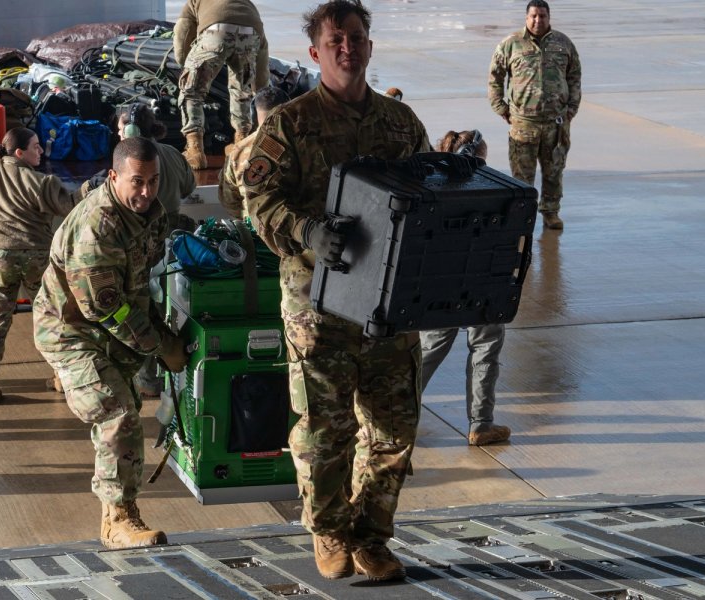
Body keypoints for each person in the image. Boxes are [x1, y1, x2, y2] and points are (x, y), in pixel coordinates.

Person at [242, 0, 429, 582]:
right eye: (336, 38)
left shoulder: (401, 124)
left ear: (369, 48)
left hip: (388, 305)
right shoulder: (290, 124)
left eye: (356, 37)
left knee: (394, 428)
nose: (347, 47)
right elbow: (258, 201)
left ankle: (371, 537)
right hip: (319, 305)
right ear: (316, 52)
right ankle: (328, 532)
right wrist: (306, 231)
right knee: (326, 430)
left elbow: (428, 192)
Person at [33, 138, 189, 549]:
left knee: (127, 409)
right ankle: (118, 520)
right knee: (118, 412)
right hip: (71, 333)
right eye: (137, 182)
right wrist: (160, 346)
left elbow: (138, 282)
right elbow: (109, 310)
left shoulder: (144, 214)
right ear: (114, 176)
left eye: (154, 181)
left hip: (108, 330)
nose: (147, 191)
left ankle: (116, 513)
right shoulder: (96, 228)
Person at [0, 113, 82, 405]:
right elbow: (69, 205)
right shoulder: (43, 183)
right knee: (50, 318)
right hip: (36, 257)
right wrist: (93, 186)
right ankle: (60, 377)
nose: (42, 151)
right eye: (36, 146)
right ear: (20, 153)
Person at [419, 130, 511, 446]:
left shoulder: (429, 187)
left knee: (429, 349)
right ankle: (481, 424)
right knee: (486, 347)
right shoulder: (490, 190)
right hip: (482, 280)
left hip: (438, 283)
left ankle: (394, 411)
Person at [113, 103, 196, 398]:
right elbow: (189, 186)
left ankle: (147, 380)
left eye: (121, 128)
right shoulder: (172, 154)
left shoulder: (130, 167)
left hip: (147, 243)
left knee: (142, 307)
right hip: (177, 242)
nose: (118, 133)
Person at [488, 0, 581, 230]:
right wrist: (500, 107)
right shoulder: (511, 44)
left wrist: (571, 109)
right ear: (526, 18)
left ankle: (551, 212)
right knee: (521, 175)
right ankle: (522, 217)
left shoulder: (563, 43)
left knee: (554, 171)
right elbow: (495, 78)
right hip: (523, 123)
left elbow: (575, 76)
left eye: (542, 16)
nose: (538, 20)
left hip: (555, 123)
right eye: (534, 16)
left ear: (549, 18)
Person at [173, 0, 270, 169]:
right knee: (241, 91)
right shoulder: (247, 4)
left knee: (192, 91)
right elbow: (262, 52)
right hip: (251, 34)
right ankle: (241, 147)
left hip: (215, 32)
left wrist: (185, 64)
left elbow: (183, 32)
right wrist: (259, 87)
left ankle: (195, 151)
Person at [219, 86, 287, 218]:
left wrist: (249, 220)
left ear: (253, 115)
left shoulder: (237, 151)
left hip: (253, 232)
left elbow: (229, 201)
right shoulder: (302, 144)